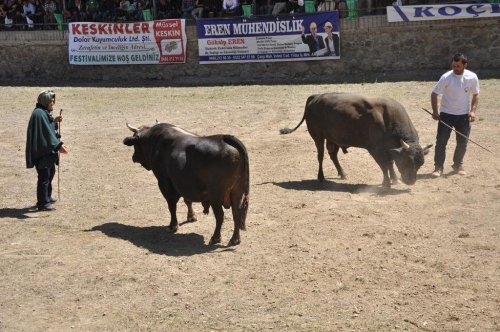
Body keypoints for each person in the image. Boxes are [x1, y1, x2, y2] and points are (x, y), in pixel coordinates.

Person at [430, 53, 479, 178]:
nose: (455, 68)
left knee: (462, 142)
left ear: (465, 65)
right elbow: (434, 93)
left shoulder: (472, 77)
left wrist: (473, 111)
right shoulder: (446, 77)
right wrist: (435, 112)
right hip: (446, 114)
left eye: (458, 66)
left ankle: (458, 164)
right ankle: (438, 167)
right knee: (441, 142)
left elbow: (476, 95)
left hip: (463, 116)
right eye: (453, 66)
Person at [26, 90, 69, 211]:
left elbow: (47, 126)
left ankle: (47, 197)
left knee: (50, 174)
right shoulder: (39, 114)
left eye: (54, 100)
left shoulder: (43, 112)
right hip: (42, 153)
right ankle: (43, 203)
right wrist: (58, 146)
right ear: (45, 101)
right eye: (51, 100)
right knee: (44, 177)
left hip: (46, 153)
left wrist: (54, 121)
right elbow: (46, 134)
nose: (53, 103)